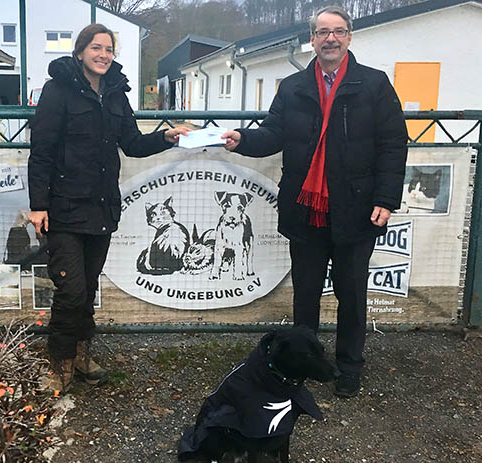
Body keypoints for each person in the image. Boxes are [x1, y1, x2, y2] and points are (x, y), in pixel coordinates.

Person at [221, 6, 408, 398]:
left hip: (357, 210)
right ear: (312, 39)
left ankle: (348, 367)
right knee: (305, 294)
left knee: (351, 294)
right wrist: (243, 139)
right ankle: (300, 366)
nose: (330, 39)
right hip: (305, 209)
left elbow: (392, 146)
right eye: (322, 32)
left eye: (338, 31)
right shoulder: (292, 87)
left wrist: (387, 199)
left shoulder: (374, 85)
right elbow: (272, 134)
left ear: (350, 37)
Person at [28, 23, 189, 392]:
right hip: (65, 209)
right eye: (96, 48)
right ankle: (59, 366)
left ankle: (82, 358)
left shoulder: (117, 93)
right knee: (70, 292)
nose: (103, 55)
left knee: (86, 290)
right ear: (81, 51)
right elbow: (42, 153)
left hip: (101, 210)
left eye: (109, 49)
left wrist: (167, 137)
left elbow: (131, 143)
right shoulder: (58, 91)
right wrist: (38, 206)